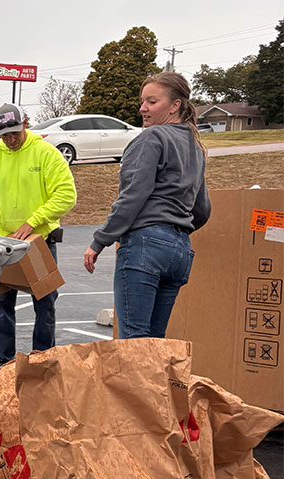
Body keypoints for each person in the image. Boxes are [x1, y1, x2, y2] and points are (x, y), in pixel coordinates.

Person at [83, 72, 210, 339]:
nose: (143, 108)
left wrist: (99, 241)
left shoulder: (152, 138)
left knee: (134, 344)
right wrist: (173, 231)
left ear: (175, 105)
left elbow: (132, 198)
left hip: (146, 246)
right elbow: (202, 211)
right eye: (143, 102)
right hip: (180, 251)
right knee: (154, 345)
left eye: (152, 102)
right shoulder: (195, 147)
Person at [0, 103, 77, 367]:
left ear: (25, 125)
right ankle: (5, 366)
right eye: (5, 135)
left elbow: (66, 195)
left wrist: (33, 222)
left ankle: (42, 363)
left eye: (15, 133)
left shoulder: (45, 154)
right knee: (1, 306)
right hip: (1, 246)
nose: (10, 140)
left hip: (38, 243)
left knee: (45, 303)